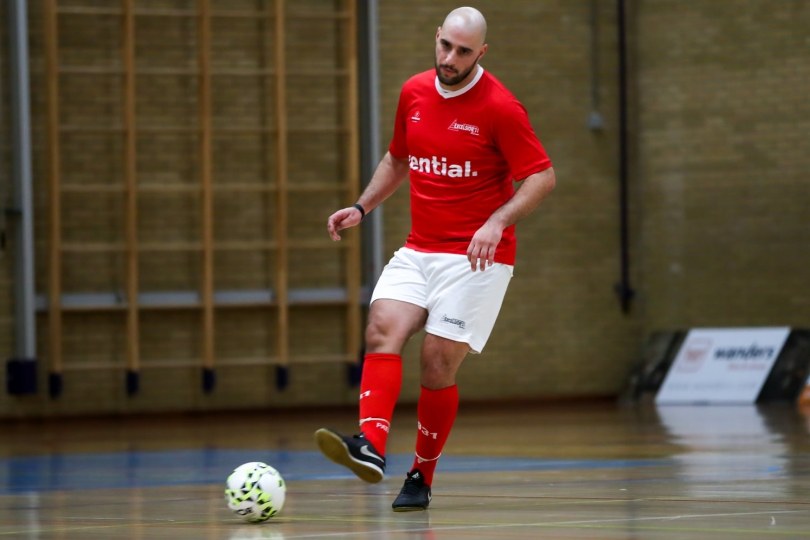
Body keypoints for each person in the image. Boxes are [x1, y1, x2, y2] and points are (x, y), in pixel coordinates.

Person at [315, 6, 555, 511]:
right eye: (445, 45)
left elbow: (541, 176)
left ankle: (420, 476)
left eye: (463, 51)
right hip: (420, 246)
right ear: (437, 38)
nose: (450, 58)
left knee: (436, 362)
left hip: (476, 257)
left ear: (481, 53)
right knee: (381, 327)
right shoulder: (415, 92)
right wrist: (362, 206)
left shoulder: (501, 106)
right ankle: (371, 447)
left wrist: (497, 221)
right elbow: (399, 157)